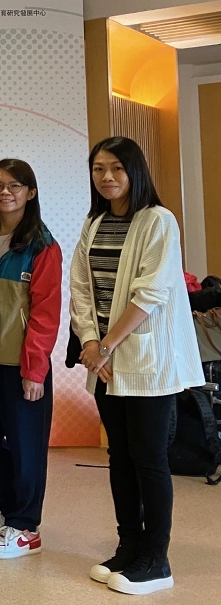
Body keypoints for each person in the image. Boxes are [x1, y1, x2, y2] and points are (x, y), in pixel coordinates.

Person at [70, 137, 204, 595]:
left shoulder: (158, 221)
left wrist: (105, 345)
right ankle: (128, 546)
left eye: (116, 168)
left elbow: (152, 293)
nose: (106, 177)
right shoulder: (94, 222)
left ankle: (156, 559)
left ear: (135, 171)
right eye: (98, 169)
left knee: (149, 457)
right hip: (104, 357)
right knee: (120, 455)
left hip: (145, 357)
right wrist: (90, 341)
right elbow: (81, 287)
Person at [0, 160, 62, 559]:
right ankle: (10, 512)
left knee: (26, 448)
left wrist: (35, 370)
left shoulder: (42, 246)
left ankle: (26, 527)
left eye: (15, 185)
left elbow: (45, 313)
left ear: (30, 192)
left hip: (21, 365)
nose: (5, 192)